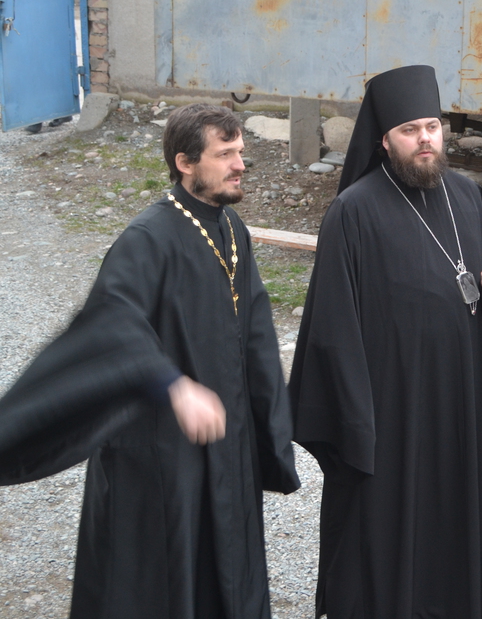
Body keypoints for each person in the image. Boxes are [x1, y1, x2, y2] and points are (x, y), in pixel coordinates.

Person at [0, 104, 300, 618]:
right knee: (162, 581)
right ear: (185, 162)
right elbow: (111, 322)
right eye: (225, 154)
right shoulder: (147, 238)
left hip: (224, 442)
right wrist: (173, 386)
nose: (240, 165)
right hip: (162, 453)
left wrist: (268, 427)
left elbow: (255, 336)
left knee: (227, 571)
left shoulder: (233, 230)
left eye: (240, 152)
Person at [288, 65, 482, 618]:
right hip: (392, 410)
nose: (425, 139)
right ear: (384, 139)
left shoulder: (465, 195)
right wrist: (354, 424)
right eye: (409, 130)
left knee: (458, 522)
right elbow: (331, 328)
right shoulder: (353, 211)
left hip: (464, 401)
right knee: (388, 529)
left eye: (432, 126)